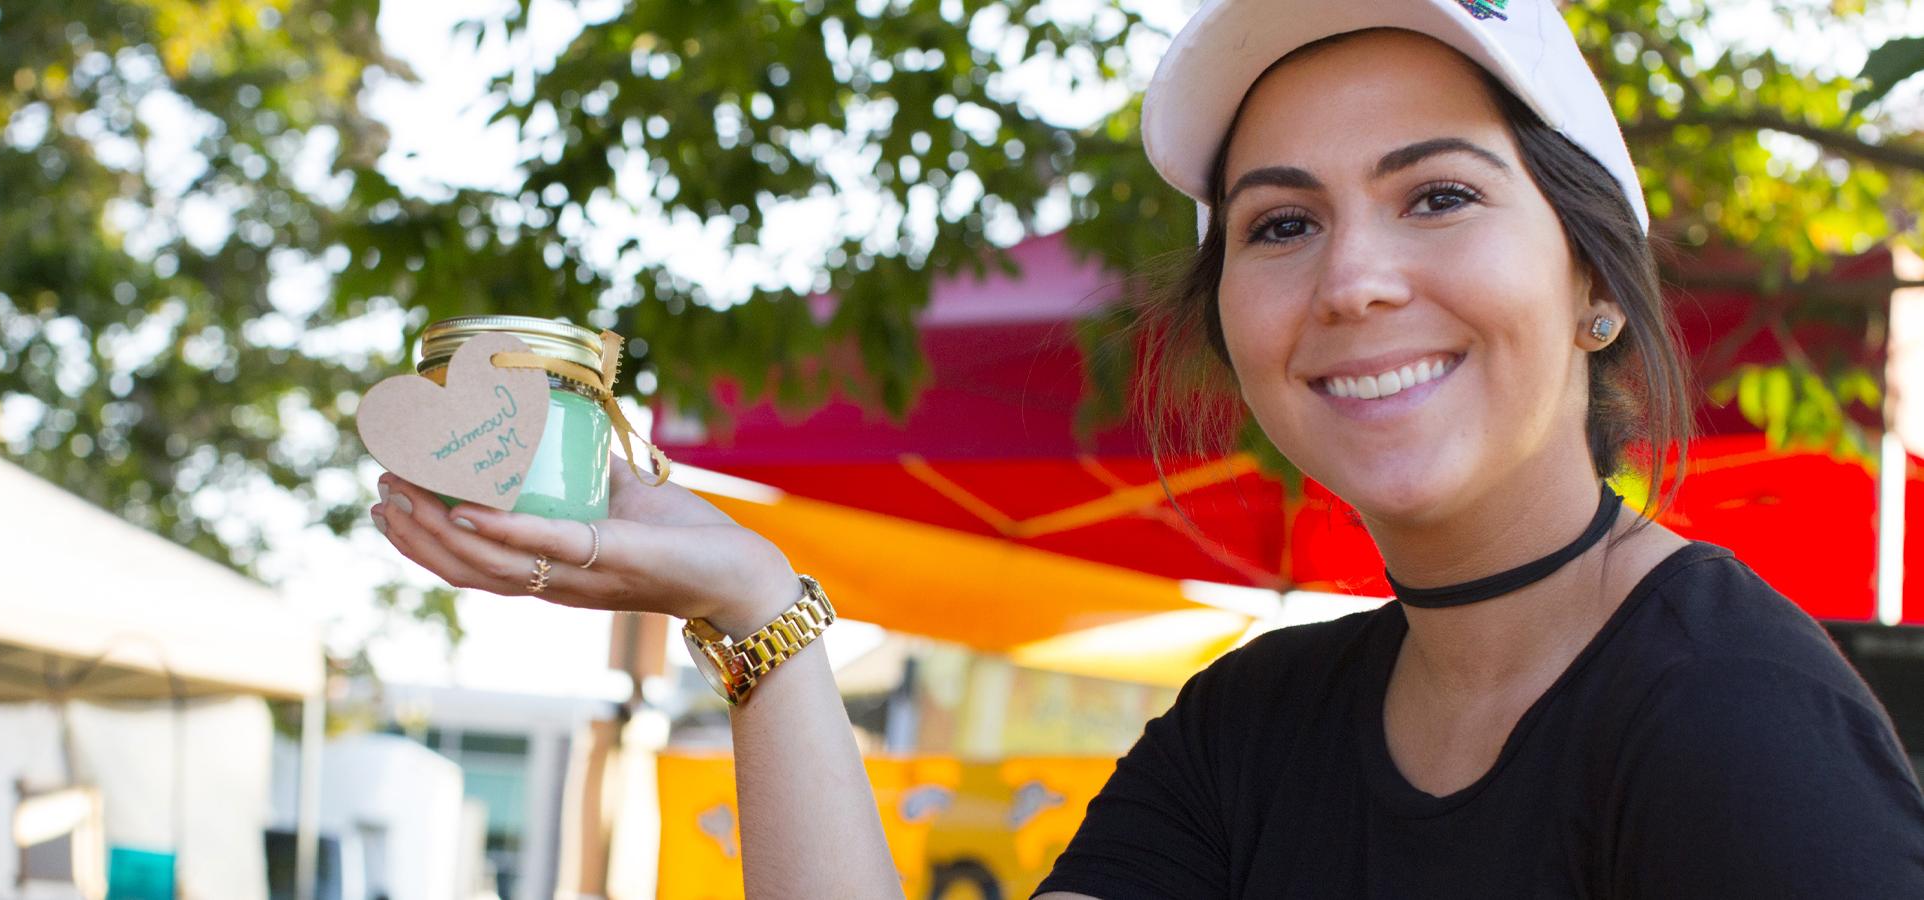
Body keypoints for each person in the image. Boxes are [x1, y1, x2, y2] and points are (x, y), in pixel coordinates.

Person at [369, 0, 1924, 895]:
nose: (1354, 277)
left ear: (1593, 285)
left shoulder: (1728, 724)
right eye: (1283, 223)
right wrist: (751, 603)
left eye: (1438, 194)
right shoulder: (1255, 730)